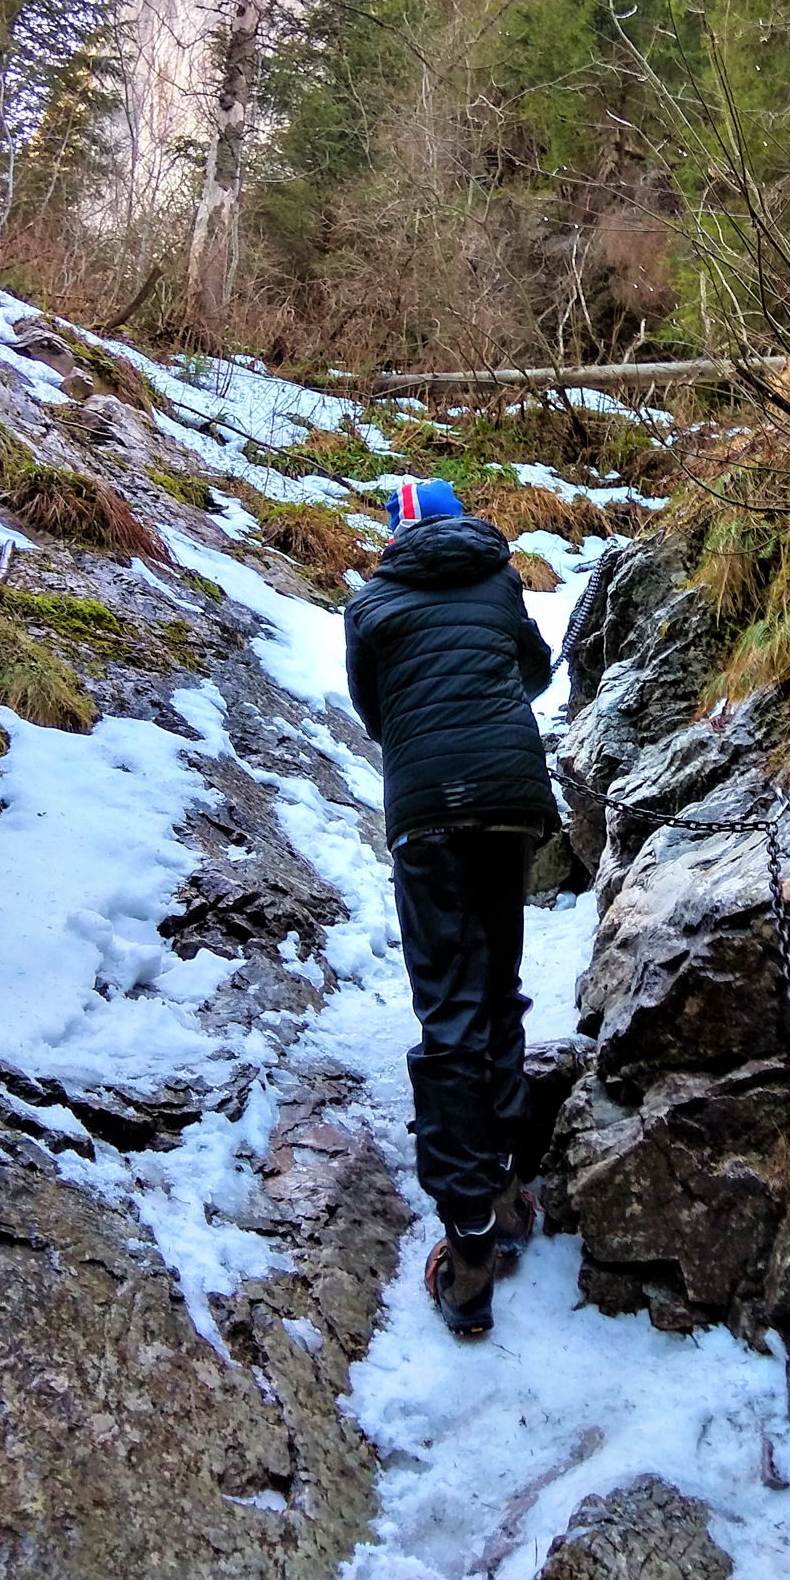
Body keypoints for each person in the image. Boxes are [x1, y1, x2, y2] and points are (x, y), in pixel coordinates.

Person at [344, 477, 558, 1337]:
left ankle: (469, 1250)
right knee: (498, 986)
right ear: (458, 521)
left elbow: (376, 714)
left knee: (449, 1011)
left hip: (428, 810)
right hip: (509, 799)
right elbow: (534, 671)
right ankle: (505, 1189)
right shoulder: (500, 580)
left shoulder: (370, 606)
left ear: (397, 534)